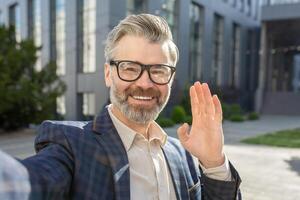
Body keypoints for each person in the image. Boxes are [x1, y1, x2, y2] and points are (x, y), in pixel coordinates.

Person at [21, 14, 241, 200]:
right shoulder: (70, 143)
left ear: (171, 79)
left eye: (158, 70)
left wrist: (213, 163)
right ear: (109, 74)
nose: (145, 83)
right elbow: (30, 181)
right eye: (129, 68)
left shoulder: (183, 153)